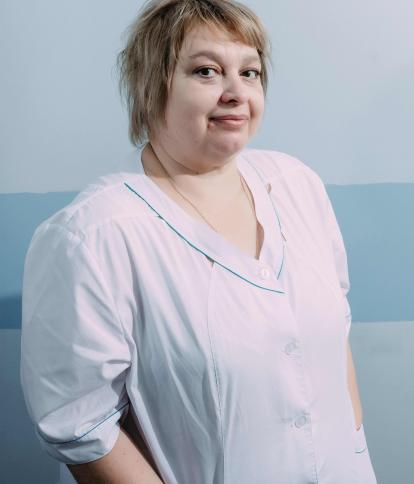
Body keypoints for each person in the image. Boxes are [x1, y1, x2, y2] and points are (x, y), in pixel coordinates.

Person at [20, 0, 378, 483]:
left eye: (250, 72)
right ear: (152, 86)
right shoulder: (92, 236)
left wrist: (352, 442)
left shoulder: (297, 185)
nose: (236, 92)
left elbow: (334, 334)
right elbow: (81, 426)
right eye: (206, 71)